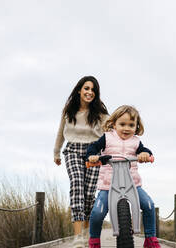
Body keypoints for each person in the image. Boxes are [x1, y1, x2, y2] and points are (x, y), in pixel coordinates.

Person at [86, 105, 161, 248]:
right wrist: (92, 156)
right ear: (114, 124)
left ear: (136, 126)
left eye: (131, 125)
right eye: (122, 124)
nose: (126, 128)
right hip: (108, 185)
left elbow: (145, 151)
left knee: (149, 205)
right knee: (97, 212)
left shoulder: (136, 141)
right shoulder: (107, 138)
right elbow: (93, 148)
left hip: (133, 184)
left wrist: (145, 154)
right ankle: (94, 241)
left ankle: (150, 239)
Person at [53, 76, 108, 248]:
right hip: (72, 150)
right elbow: (61, 132)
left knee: (89, 193)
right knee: (77, 184)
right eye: (86, 88)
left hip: (93, 153)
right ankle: (77, 236)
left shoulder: (100, 114)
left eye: (93, 90)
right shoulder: (68, 110)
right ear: (79, 89)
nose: (89, 92)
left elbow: (111, 131)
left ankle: (85, 233)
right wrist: (56, 152)